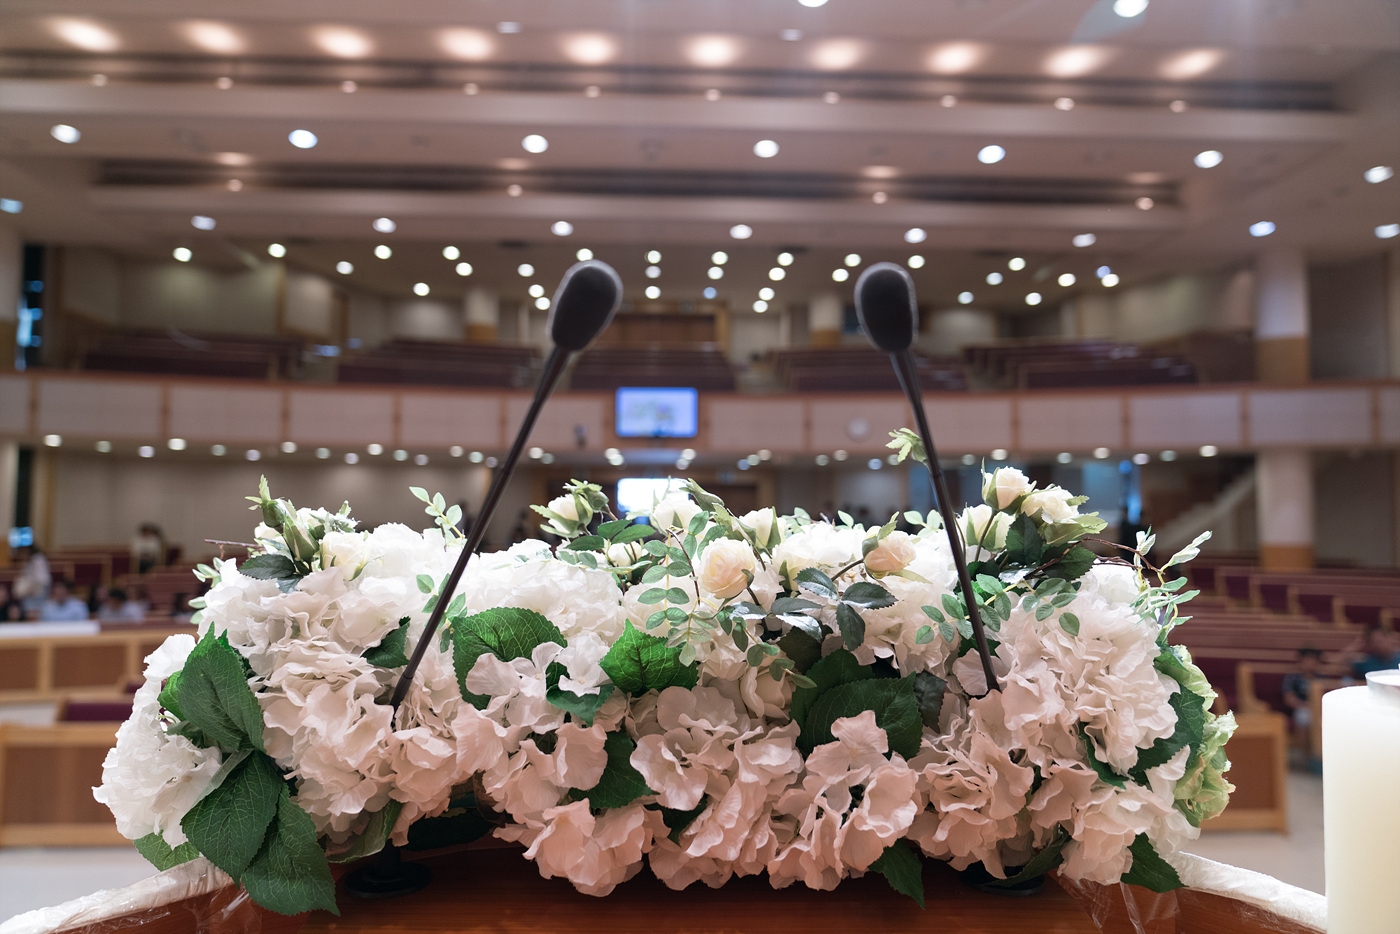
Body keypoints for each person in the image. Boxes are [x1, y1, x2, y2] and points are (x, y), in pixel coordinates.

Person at [1281, 648, 1323, 760]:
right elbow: (1289, 698)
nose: (1310, 663)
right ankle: (1305, 755)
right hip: (1301, 708)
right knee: (1303, 717)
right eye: (1307, 660)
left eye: (1313, 660)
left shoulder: (1321, 678)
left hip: (1319, 709)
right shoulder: (1292, 677)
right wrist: (1305, 705)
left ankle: (1318, 754)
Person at [11, 544, 51, 614]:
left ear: (29, 551)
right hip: (30, 592)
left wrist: (28, 589)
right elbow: (24, 577)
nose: (22, 555)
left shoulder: (38, 559)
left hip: (40, 591)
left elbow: (42, 580)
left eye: (23, 552)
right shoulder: (27, 562)